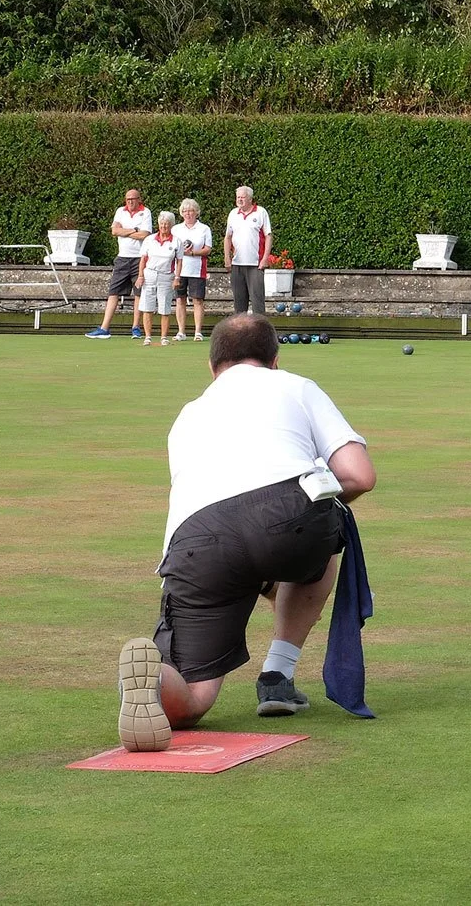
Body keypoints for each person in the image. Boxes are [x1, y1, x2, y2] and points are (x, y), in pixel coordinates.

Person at [116, 314, 376, 751]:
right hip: (287, 515)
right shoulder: (295, 385)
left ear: (211, 366)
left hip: (195, 538)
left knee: (194, 700)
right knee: (329, 527)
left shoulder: (188, 414)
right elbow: (359, 476)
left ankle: (155, 681)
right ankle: (278, 673)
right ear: (274, 360)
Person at [84, 188, 152, 339]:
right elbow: (114, 231)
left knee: (138, 293)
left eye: (133, 199)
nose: (130, 202)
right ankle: (104, 328)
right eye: (128, 199)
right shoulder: (120, 211)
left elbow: (145, 234)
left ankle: (136, 327)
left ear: (139, 199)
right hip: (122, 258)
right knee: (113, 292)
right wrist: (134, 230)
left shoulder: (145, 212)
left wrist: (125, 231)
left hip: (139, 258)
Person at [224, 185, 272, 314]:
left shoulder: (261, 212)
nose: (239, 200)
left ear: (250, 198)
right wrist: (227, 258)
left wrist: (265, 259)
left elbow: (268, 236)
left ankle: (261, 332)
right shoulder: (233, 214)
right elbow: (227, 237)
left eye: (243, 197)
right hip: (237, 264)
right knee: (239, 304)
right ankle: (240, 333)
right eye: (238, 197)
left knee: (258, 303)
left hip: (255, 265)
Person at [172, 198, 213, 341]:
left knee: (198, 300)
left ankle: (198, 332)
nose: (188, 214)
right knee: (179, 300)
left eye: (191, 211)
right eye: (185, 211)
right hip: (179, 271)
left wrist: (193, 253)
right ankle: (181, 332)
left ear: (196, 212)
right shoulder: (176, 229)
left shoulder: (204, 229)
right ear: (181, 213)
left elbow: (207, 249)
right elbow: (171, 248)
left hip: (197, 269)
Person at [136, 211, 180, 346]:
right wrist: (140, 276)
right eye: (161, 224)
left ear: (171, 225)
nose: (163, 226)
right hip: (149, 274)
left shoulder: (177, 241)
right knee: (147, 307)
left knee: (165, 308)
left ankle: (163, 337)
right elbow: (143, 259)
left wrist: (177, 278)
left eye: (166, 224)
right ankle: (148, 337)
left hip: (166, 276)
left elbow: (179, 261)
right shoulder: (149, 240)